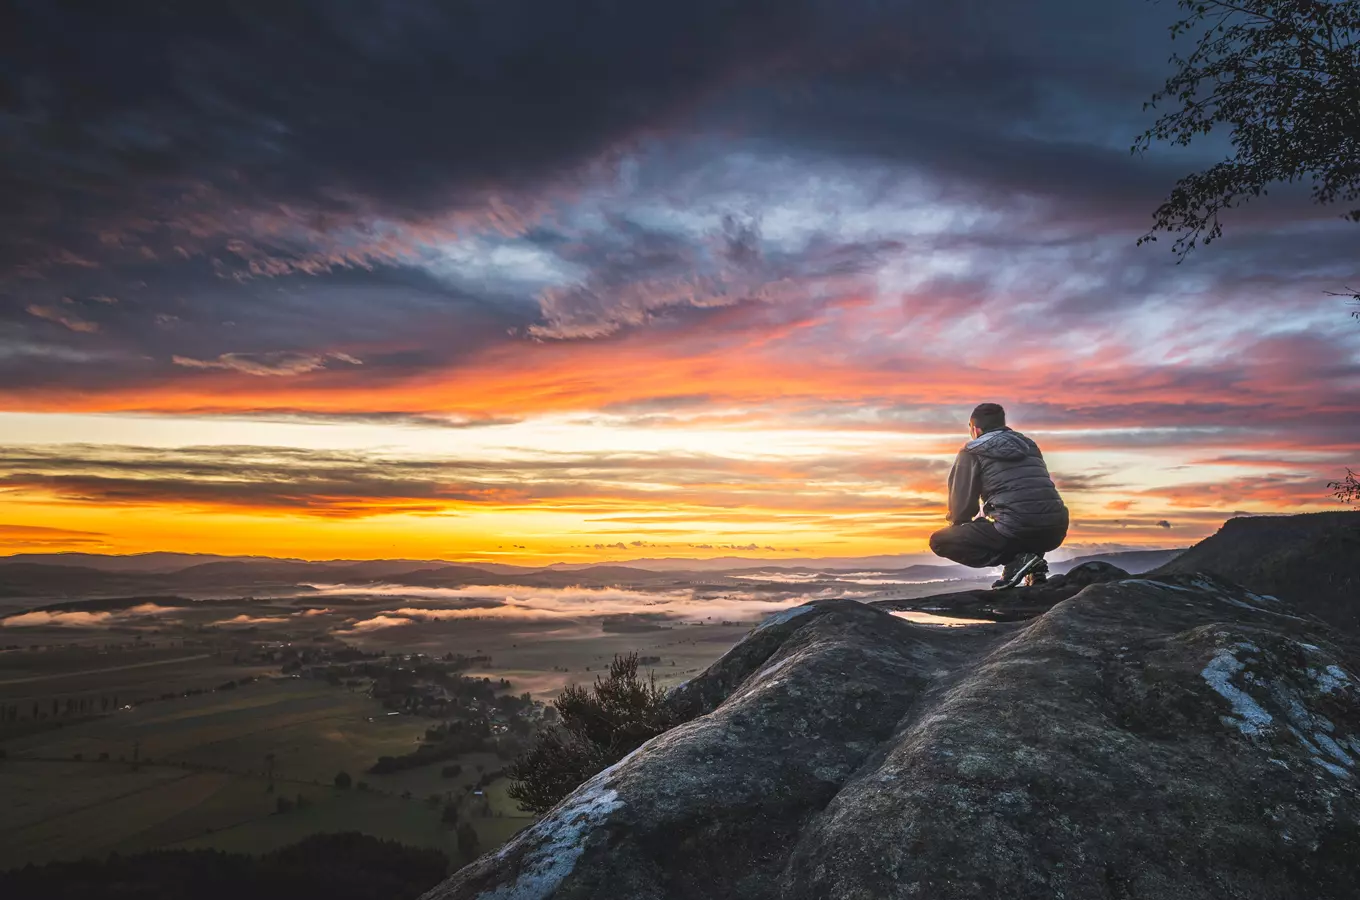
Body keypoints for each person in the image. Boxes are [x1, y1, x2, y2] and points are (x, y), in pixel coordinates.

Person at [929, 403, 1068, 589]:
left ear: (975, 429)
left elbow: (961, 505)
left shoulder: (971, 451)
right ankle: (1033, 568)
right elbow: (1032, 493)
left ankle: (1019, 561)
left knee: (940, 541)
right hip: (1055, 530)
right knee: (1023, 514)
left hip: (1017, 528)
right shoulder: (1029, 445)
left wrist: (958, 524)